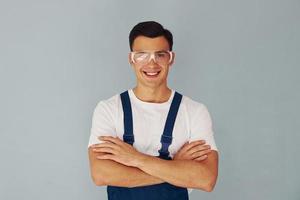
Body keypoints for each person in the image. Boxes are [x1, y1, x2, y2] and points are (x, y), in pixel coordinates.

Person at [87, 21, 219, 200]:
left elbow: (206, 179)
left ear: (170, 59)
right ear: (131, 59)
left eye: (160, 55)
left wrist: (135, 159)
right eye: (142, 54)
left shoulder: (194, 111)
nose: (152, 63)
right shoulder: (109, 109)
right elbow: (101, 174)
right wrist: (175, 166)